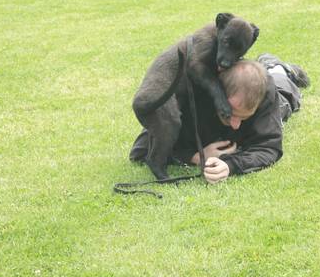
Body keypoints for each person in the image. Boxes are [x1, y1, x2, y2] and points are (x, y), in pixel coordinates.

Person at [129, 53, 309, 184]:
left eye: (244, 118)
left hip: (270, 86)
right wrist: (196, 157)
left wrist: (230, 166)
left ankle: (278, 69)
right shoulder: (187, 96)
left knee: (284, 101)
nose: (236, 125)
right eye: (231, 114)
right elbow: (141, 150)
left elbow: (269, 147)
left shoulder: (265, 92)